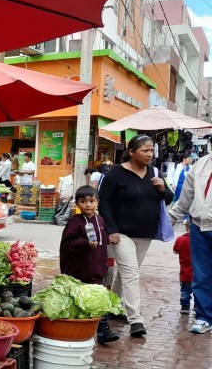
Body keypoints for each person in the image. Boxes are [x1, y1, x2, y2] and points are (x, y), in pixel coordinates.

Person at [99, 135, 173, 337]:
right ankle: (136, 320)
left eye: (151, 150)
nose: (150, 154)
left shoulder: (155, 173)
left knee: (126, 273)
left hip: (146, 234)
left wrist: (162, 188)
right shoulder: (116, 174)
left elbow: (168, 199)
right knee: (131, 273)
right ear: (131, 152)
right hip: (122, 234)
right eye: (145, 150)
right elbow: (104, 203)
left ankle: (111, 306)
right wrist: (112, 230)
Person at [59, 186, 118, 344]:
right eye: (83, 201)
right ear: (77, 204)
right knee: (81, 302)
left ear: (97, 202)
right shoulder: (74, 222)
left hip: (96, 271)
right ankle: (80, 331)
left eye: (91, 201)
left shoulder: (100, 221)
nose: (88, 205)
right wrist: (84, 243)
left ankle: (103, 330)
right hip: (78, 272)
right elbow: (66, 245)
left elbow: (102, 247)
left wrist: (104, 266)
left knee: (98, 300)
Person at [169, 152, 212, 334]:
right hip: (199, 227)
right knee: (201, 275)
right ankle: (204, 317)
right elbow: (186, 196)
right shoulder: (200, 164)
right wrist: (172, 217)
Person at [173, 220, 193, 316]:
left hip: (184, 273)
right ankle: (198, 307)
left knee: (185, 292)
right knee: (199, 292)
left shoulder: (180, 239)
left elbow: (175, 251)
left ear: (186, 228)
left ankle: (185, 307)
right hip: (199, 274)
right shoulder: (200, 241)